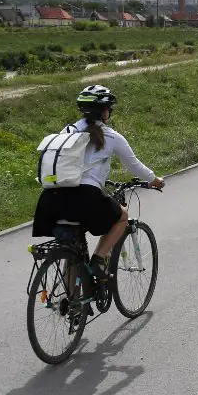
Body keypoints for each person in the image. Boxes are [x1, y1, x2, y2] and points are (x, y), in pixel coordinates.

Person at [32, 84, 164, 301]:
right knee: (122, 215)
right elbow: (134, 166)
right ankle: (99, 259)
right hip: (86, 198)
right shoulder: (111, 136)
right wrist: (155, 180)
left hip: (51, 199)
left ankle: (73, 303)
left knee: (74, 247)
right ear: (104, 111)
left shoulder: (67, 131)